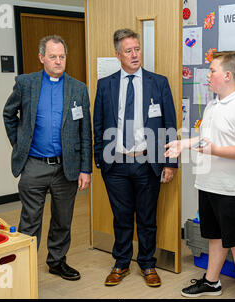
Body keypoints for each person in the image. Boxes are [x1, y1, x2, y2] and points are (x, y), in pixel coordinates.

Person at [165, 51, 235, 299]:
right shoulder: (213, 105)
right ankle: (211, 282)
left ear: (227, 75)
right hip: (208, 185)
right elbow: (208, 139)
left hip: (231, 190)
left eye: (212, 71)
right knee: (214, 238)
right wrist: (184, 144)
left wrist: (214, 150)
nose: (208, 75)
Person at [93, 28, 178, 288]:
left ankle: (148, 264)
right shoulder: (105, 84)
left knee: (147, 217)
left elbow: (169, 125)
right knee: (121, 216)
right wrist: (100, 159)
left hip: (146, 161)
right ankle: (120, 263)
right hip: (115, 162)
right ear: (117, 54)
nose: (134, 55)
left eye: (137, 49)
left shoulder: (158, 82)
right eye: (128, 51)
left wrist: (170, 162)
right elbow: (99, 123)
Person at [3, 35, 92, 281]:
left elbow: (85, 132)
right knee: (30, 220)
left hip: (67, 167)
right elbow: (9, 115)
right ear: (42, 58)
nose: (58, 61)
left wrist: (86, 169)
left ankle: (57, 261)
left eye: (62, 56)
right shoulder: (25, 83)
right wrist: (19, 145)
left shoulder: (78, 88)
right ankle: (23, 265)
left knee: (63, 219)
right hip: (34, 165)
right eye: (52, 56)